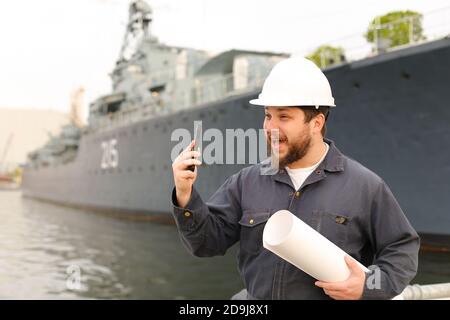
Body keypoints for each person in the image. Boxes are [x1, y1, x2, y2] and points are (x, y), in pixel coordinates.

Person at [170, 57, 419, 300]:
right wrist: (184, 194)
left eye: (284, 117)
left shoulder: (365, 186)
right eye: (268, 115)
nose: (270, 128)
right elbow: (205, 244)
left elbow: (401, 251)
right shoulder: (246, 182)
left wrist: (368, 285)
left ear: (316, 122)